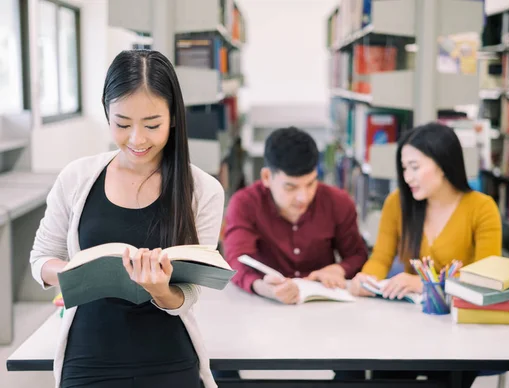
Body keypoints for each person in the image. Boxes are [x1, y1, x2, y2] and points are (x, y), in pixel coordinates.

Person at [29, 50, 224, 388]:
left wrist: (161, 290)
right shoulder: (77, 177)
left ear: (174, 118)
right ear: (106, 114)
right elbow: (40, 259)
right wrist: (75, 274)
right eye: (122, 124)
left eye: (152, 125)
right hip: (89, 357)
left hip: (169, 358)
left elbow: (190, 292)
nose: (137, 139)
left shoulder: (203, 191)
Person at [349, 122, 502, 387]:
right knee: (384, 372)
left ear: (442, 164)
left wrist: (425, 285)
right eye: (405, 168)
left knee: (446, 377)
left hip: (459, 327)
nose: (408, 177)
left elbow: (485, 277)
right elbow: (381, 258)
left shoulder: (481, 208)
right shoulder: (397, 203)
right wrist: (365, 278)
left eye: (415, 167)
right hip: (409, 325)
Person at [221, 126, 368, 380]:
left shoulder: (338, 201)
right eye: (290, 187)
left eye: (311, 184)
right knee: (221, 358)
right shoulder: (244, 203)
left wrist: (339, 268)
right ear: (267, 177)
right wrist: (265, 288)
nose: (303, 196)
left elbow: (357, 255)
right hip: (261, 311)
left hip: (322, 315)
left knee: (354, 368)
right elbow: (236, 260)